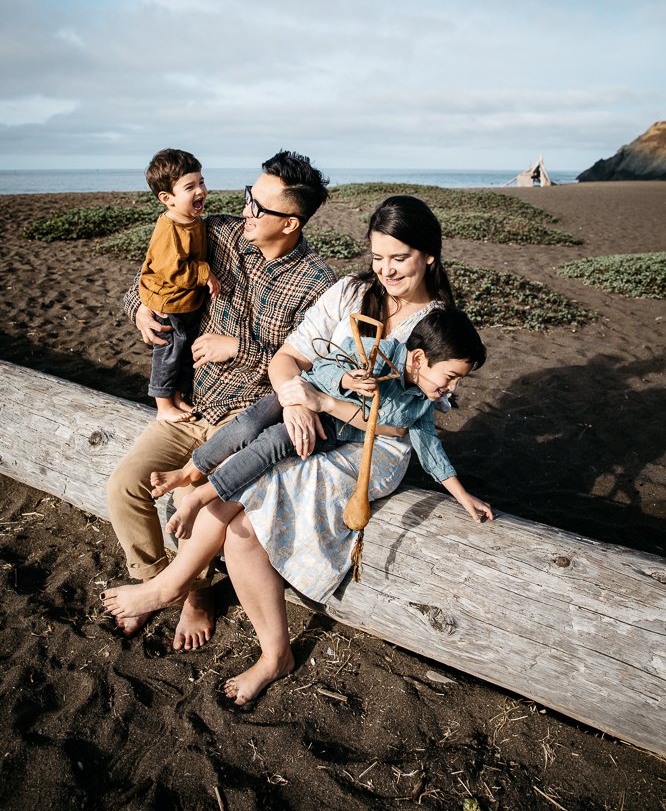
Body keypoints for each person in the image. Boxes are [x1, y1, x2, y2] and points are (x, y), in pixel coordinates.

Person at [103, 194, 493, 701]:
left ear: (429, 256)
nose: (386, 269)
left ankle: (226, 622)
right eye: (378, 257)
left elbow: (407, 427)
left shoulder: (440, 326)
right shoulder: (352, 293)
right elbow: (290, 359)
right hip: (314, 415)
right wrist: (296, 402)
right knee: (242, 497)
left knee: (243, 516)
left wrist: (324, 405)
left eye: (399, 258)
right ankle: (211, 608)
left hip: (372, 446)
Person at [106, 151, 336, 650]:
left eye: (258, 206)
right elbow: (155, 271)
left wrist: (242, 348)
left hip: (247, 418)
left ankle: (193, 595)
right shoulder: (226, 233)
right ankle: (165, 584)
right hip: (193, 405)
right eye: (248, 198)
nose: (244, 209)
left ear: (290, 222)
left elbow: (313, 372)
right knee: (124, 487)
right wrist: (140, 309)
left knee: (195, 501)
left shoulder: (318, 284)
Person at [149, 308, 490, 539]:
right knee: (247, 425)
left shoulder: (420, 405)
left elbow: (431, 451)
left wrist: (462, 496)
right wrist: (347, 380)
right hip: (305, 393)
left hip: (331, 430)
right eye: (451, 377)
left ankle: (200, 496)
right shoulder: (375, 349)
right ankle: (190, 470)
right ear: (419, 358)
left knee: (274, 442)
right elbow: (323, 366)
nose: (451, 390)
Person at [139, 149, 221, 423]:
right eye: (190, 187)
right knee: (168, 351)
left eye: (201, 182)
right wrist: (204, 272)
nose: (200, 190)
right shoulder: (169, 228)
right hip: (167, 301)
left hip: (185, 302)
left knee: (183, 350)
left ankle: (175, 397)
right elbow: (172, 269)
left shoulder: (192, 220)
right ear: (167, 199)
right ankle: (163, 406)